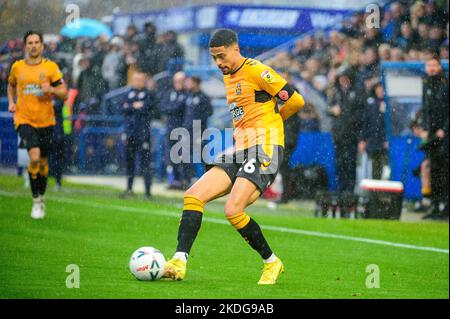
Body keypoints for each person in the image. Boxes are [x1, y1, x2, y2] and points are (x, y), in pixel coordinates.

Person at [163, 29, 305, 285]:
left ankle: (271, 262)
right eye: (214, 58)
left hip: (265, 148)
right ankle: (179, 261)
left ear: (235, 49)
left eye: (222, 56)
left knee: (232, 209)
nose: (218, 63)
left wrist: (275, 123)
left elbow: (296, 101)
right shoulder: (229, 77)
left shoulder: (256, 70)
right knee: (193, 196)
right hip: (241, 150)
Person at [7, 30, 68, 219]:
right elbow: (10, 84)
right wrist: (11, 102)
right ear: (25, 46)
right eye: (30, 43)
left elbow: (64, 92)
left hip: (46, 120)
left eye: (36, 42)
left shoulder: (50, 68)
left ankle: (41, 198)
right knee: (34, 157)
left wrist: (50, 89)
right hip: (24, 119)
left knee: (43, 162)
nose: (33, 46)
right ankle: (35, 201)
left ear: (42, 45)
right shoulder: (17, 67)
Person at [121, 71, 160, 199]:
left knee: (145, 164)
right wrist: (136, 106)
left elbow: (149, 109)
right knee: (129, 162)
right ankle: (129, 189)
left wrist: (133, 107)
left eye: (140, 79)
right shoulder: (128, 93)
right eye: (136, 79)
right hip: (130, 133)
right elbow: (123, 108)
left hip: (143, 134)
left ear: (144, 81)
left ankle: (147, 192)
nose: (138, 82)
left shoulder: (149, 94)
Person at [421, 55, 448, 220]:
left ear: (440, 66)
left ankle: (445, 205)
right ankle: (435, 204)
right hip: (431, 135)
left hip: (445, 135)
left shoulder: (446, 84)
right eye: (428, 65)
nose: (431, 68)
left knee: (445, 170)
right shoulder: (426, 84)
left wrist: (444, 129)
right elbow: (425, 109)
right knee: (434, 170)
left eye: (434, 64)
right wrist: (425, 129)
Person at [181, 76, 213, 187]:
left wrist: (198, 125)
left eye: (189, 82)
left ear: (196, 83)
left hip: (199, 132)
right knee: (185, 156)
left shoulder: (203, 97)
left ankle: (207, 181)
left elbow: (209, 112)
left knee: (202, 157)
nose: (186, 84)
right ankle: (186, 181)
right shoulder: (188, 96)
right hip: (187, 131)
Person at [160, 71, 188, 189]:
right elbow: (163, 107)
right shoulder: (169, 93)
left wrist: (173, 108)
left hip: (183, 130)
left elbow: (177, 108)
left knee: (183, 157)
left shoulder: (187, 95)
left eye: (181, 81)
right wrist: (174, 107)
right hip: (170, 129)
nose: (178, 83)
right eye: (176, 81)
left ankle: (184, 181)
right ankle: (174, 181)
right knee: (171, 156)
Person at [358, 82, 388, 180]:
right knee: (374, 167)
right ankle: (375, 191)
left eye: (382, 88)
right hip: (373, 140)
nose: (380, 91)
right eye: (378, 88)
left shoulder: (390, 103)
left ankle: (386, 191)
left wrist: (387, 139)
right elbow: (365, 122)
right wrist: (362, 139)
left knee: (386, 167)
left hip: (384, 141)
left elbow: (392, 123)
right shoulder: (370, 103)